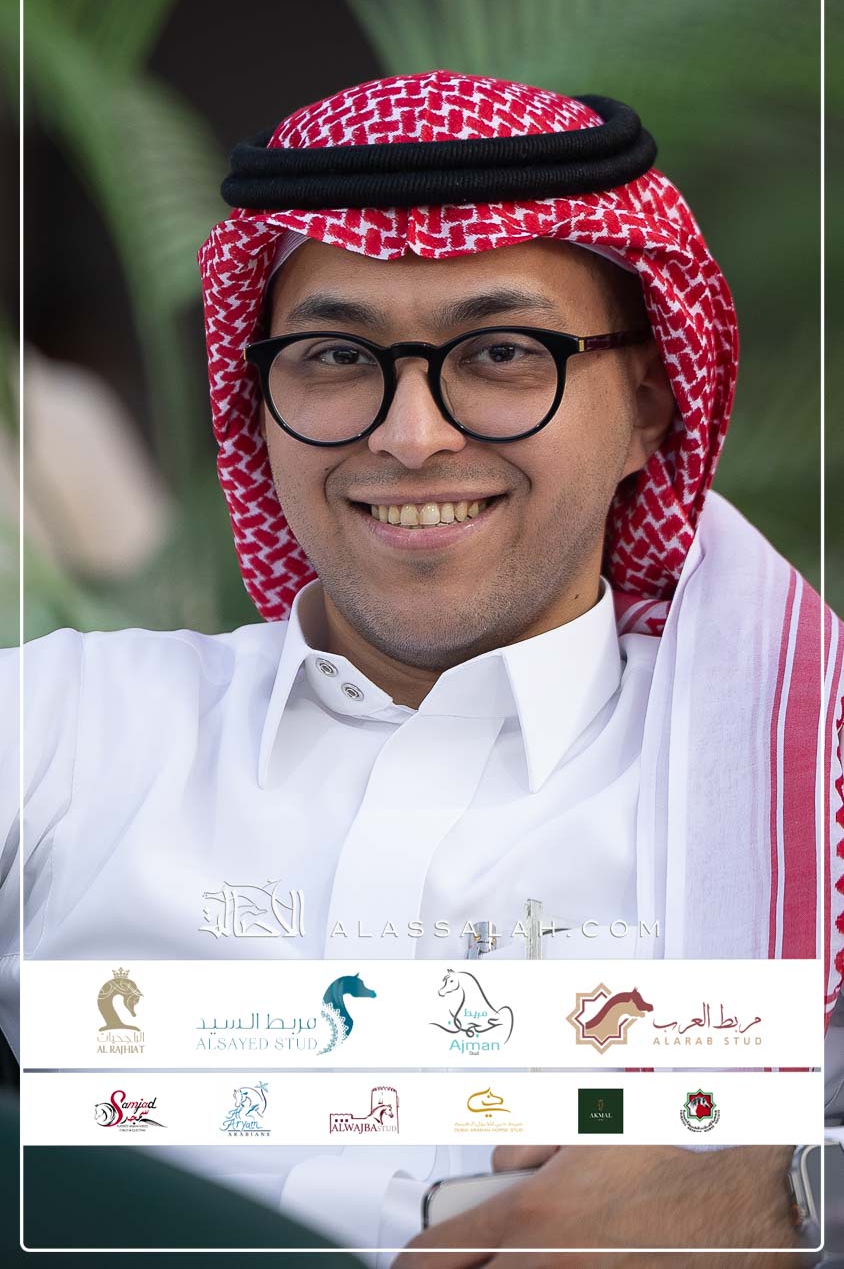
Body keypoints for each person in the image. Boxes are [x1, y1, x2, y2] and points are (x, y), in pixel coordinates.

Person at [2, 71, 841, 1265]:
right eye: (336, 356)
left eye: (500, 352)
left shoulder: (803, 790)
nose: (409, 436)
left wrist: (793, 1194)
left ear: (649, 402)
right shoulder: (57, 732)